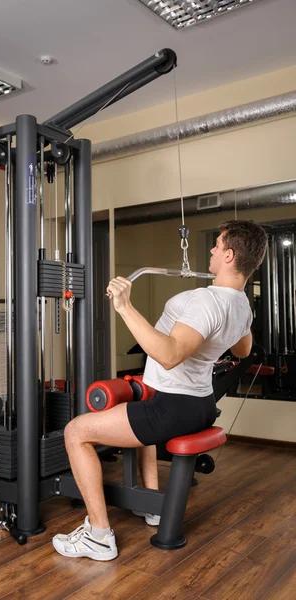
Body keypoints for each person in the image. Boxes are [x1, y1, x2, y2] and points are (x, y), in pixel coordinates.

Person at [52, 219, 268, 561]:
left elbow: (168, 355)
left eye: (217, 244)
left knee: (76, 432)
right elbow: (242, 350)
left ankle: (98, 535)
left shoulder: (207, 300)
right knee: (142, 425)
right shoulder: (241, 304)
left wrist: (124, 307)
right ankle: (151, 505)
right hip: (200, 403)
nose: (211, 249)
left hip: (175, 407)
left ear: (228, 256)